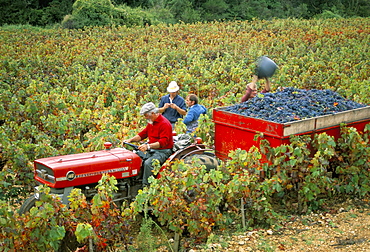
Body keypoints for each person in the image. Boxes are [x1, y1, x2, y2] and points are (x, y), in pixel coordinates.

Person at [123, 102, 173, 186]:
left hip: (163, 151)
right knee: (134, 157)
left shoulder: (165, 124)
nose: (145, 118)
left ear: (153, 113)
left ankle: (146, 186)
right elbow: (143, 134)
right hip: (152, 149)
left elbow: (163, 142)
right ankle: (135, 181)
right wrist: (130, 140)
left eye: (146, 115)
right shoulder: (151, 123)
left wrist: (148, 146)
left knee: (148, 164)